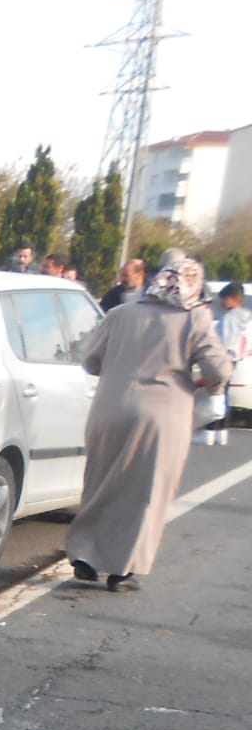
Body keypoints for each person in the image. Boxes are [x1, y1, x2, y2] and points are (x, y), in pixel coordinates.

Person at [65, 251, 232, 592]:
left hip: (109, 411)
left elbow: (91, 362)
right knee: (145, 492)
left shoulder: (121, 314)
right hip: (161, 418)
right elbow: (219, 370)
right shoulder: (194, 320)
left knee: (100, 482)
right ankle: (122, 569)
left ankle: (84, 554)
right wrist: (201, 382)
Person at [205, 282, 247, 445]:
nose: (221, 303)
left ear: (232, 299)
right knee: (224, 394)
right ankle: (220, 429)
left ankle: (213, 429)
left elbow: (224, 342)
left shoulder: (231, 318)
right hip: (233, 359)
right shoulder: (243, 316)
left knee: (216, 394)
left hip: (224, 359)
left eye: (223, 299)